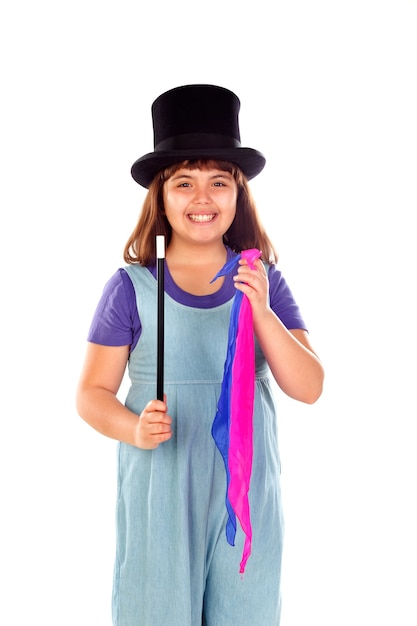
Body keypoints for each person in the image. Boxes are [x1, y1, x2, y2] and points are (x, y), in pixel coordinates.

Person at [76, 84, 324, 626]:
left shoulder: (263, 281)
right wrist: (133, 427)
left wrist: (261, 311)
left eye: (219, 182)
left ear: (238, 194)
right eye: (184, 183)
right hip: (160, 489)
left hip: (246, 495)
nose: (203, 198)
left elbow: (308, 386)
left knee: (247, 612)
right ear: (161, 197)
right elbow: (92, 395)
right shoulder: (132, 287)